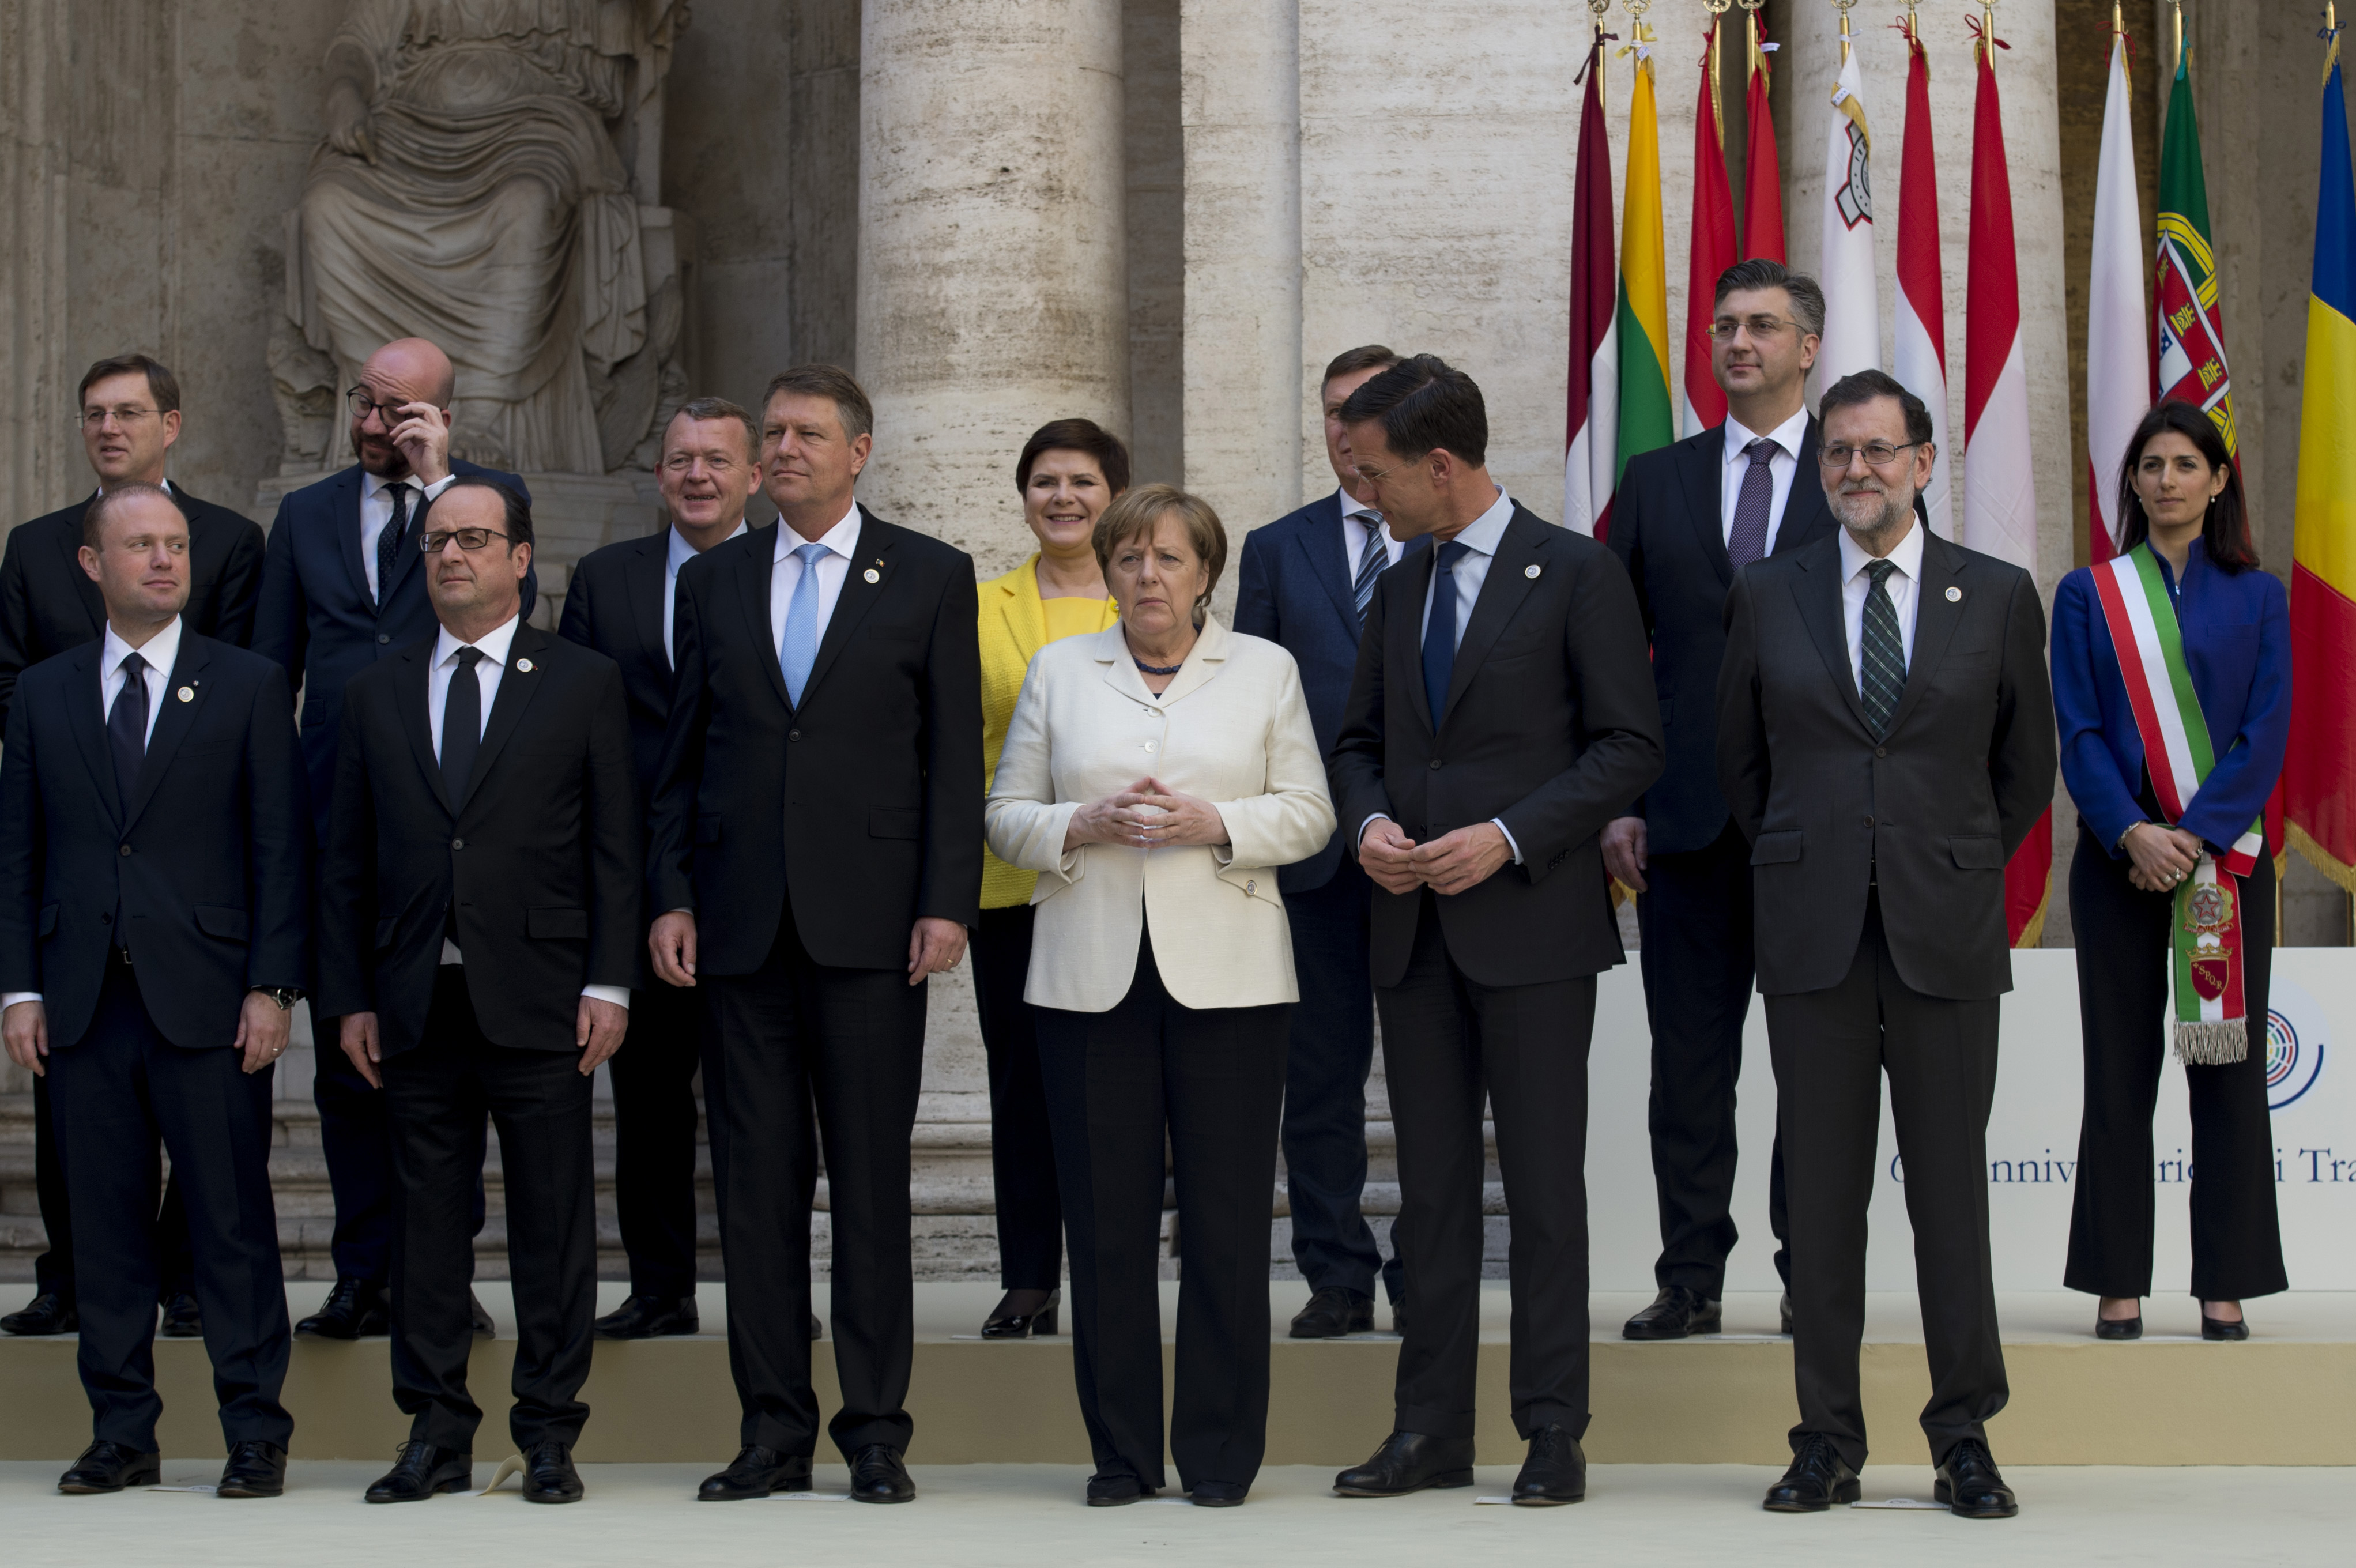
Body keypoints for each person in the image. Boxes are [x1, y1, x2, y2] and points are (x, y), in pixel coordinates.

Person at [1715, 369, 2053, 1518]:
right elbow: (1741, 764)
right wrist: (1819, 853)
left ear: (1922, 460)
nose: (1856, 470)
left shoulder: (1997, 594)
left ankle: (1962, 1435)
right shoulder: (1769, 593)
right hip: (1811, 930)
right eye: (1837, 454)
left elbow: (2022, 773)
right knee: (1816, 1199)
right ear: (1822, 471)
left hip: (1944, 929)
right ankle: (1825, 1437)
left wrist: (1942, 854)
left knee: (1949, 1195)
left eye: (1877, 450)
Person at [1327, 356, 1664, 1507]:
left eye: (1374, 475)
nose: (1362, 494)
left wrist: (1509, 836)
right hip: (1411, 934)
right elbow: (1359, 741)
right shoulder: (1396, 584)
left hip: (1531, 930)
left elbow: (1628, 746)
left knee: (1541, 1191)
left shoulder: (1576, 573)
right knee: (1426, 1195)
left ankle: (1552, 1431)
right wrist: (1368, 820)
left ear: (1438, 465)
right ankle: (1428, 1431)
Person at [647, 365, 981, 1506]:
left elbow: (951, 760)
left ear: (860, 451)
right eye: (773, 434)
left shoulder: (931, 575)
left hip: (875, 926)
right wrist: (671, 893)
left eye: (805, 434)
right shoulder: (716, 578)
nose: (783, 449)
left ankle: (876, 1433)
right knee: (755, 1188)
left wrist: (947, 899)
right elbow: (682, 756)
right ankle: (771, 1432)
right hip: (740, 929)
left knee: (872, 1187)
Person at [987, 485, 1335, 1507]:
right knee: (1104, 1225)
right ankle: (1124, 1457)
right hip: (1089, 979)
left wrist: (1216, 823)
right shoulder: (1062, 669)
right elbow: (1005, 814)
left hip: (1230, 978)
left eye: (1169, 559)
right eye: (1129, 558)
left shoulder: (1263, 669)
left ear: (1206, 575)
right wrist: (1078, 822)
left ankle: (1222, 1458)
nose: (1147, 577)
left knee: (1227, 1222)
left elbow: (1311, 812)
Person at [317, 478, 639, 1506]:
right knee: (423, 1228)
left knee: (552, 1225)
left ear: (521, 559)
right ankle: (435, 1433)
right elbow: (346, 861)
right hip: (413, 1001)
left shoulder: (582, 682)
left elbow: (614, 850)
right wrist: (349, 998)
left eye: (474, 539)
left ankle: (548, 1434)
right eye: (438, 541)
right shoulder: (374, 691)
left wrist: (609, 982)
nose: (452, 554)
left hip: (544, 996)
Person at [0, 484, 308, 1498]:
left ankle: (255, 1431)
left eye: (175, 544)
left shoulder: (249, 683)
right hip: (84, 1004)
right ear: (94, 565)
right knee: (107, 1227)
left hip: (212, 1003)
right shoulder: (43, 693)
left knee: (230, 1222)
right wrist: (20, 992)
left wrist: (272, 986)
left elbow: (279, 848)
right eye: (141, 546)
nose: (166, 561)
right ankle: (121, 1432)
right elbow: (19, 855)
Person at [253, 336, 531, 1341]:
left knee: (438, 1068)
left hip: (440, 829)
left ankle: (436, 1278)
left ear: (442, 415)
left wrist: (439, 481)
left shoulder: (483, 503)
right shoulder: (307, 514)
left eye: (399, 411)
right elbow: (266, 677)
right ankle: (363, 1270)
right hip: (336, 825)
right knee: (346, 1068)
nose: (375, 425)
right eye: (366, 406)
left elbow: (515, 620)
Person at [0, 353, 267, 1343]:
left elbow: (246, 692)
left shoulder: (232, 543)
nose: (110, 428)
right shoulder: (34, 548)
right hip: (81, 871)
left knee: (211, 1151)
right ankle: (74, 1281)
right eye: (94, 415)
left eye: (129, 412)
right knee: (81, 1136)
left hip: (194, 894)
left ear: (173, 425)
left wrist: (273, 982)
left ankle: (189, 1281)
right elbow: (10, 686)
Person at [1605, 259, 1835, 1341]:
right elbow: (1610, 652)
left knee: (1812, 1065)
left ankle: (1811, 1274)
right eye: (1723, 326)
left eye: (1761, 327)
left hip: (1814, 826)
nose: (1738, 342)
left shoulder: (1856, 473)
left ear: (1807, 348)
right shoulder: (1655, 479)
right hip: (1684, 823)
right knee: (1689, 1071)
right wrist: (1617, 796)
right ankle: (1690, 1275)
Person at [2052, 401, 2290, 1341]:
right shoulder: (2088, 592)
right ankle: (2118, 1280)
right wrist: (2132, 834)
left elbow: (2264, 735)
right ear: (2133, 482)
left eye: (2186, 463)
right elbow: (2079, 730)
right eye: (2150, 465)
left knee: (2225, 1069)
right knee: (2120, 1071)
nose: (2166, 480)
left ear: (2219, 479)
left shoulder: (2259, 595)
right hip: (2120, 868)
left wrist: (2191, 838)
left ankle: (2223, 1281)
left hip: (2225, 871)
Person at [558, 398, 760, 1341]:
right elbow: (586, 738)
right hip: (641, 880)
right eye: (680, 459)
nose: (697, 476)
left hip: (762, 878)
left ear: (753, 476)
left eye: (716, 460)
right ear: (659, 475)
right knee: (647, 1104)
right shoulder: (606, 580)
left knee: (761, 1103)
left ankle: (776, 1292)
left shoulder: (786, 577)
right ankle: (660, 1286)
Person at [1234, 345, 1418, 1339]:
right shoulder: (1278, 547)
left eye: (1373, 408)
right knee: (1319, 1078)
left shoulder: (1449, 534)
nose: (1352, 428)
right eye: (1337, 411)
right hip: (1311, 860)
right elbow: (1251, 700)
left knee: (1435, 1072)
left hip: (1433, 855)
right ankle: (1337, 1272)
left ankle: (1423, 1268)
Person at [970, 418, 1126, 1340]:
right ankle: (1030, 1276)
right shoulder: (980, 605)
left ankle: (1116, 1274)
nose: (1062, 498)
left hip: (1123, 879)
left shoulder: (1151, 598)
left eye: (1082, 482)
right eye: (1044, 482)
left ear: (1113, 496)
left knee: (1114, 1088)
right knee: (1023, 1087)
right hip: (1012, 883)